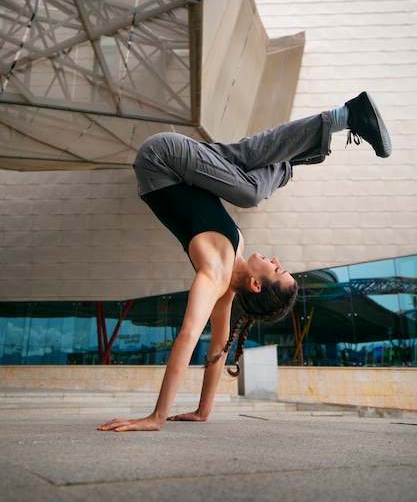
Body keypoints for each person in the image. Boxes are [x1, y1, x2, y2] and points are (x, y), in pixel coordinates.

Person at [98, 91, 391, 432]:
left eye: (277, 269)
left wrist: (161, 417)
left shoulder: (215, 278)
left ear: (256, 284)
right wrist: (202, 409)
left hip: (159, 160)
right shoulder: (235, 253)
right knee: (247, 175)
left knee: (250, 186)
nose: (276, 260)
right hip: (175, 165)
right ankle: (308, 147)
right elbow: (218, 350)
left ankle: (312, 144)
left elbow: (199, 341)